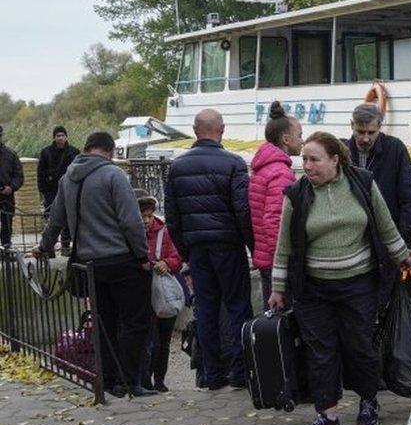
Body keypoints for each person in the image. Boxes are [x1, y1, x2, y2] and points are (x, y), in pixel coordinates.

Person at [268, 132, 411, 425]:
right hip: (313, 289)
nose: (306, 166)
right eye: (304, 159)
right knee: (321, 351)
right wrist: (278, 288)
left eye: (314, 159)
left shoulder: (361, 182)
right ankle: (327, 415)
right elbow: (284, 247)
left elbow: (385, 223)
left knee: (360, 345)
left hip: (359, 283)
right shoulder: (296, 195)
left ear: (335, 159)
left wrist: (402, 255)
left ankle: (368, 401)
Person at [31, 132, 151, 397]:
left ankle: (107, 379)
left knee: (104, 322)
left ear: (85, 149)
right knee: (133, 321)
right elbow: (131, 222)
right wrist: (143, 256)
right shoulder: (113, 176)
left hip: (88, 263)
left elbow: (56, 220)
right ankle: (129, 381)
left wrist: (42, 248)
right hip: (120, 260)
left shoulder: (67, 179)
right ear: (109, 151)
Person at [164, 109, 253, 390]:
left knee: (206, 309)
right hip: (228, 245)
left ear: (194, 130)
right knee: (238, 307)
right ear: (222, 130)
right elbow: (242, 210)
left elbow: (172, 217)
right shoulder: (234, 163)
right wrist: (251, 244)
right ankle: (239, 372)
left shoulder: (177, 167)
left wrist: (185, 251)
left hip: (197, 247)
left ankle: (212, 374)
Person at [345, 104, 411, 287]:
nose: (365, 138)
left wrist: (407, 243)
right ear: (351, 126)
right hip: (352, 246)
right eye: (360, 132)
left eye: (371, 133)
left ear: (380, 127)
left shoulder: (395, 149)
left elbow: (410, 199)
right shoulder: (342, 152)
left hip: (387, 245)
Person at [250, 101, 300, 306]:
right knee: (281, 318)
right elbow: (274, 221)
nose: (302, 141)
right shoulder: (281, 173)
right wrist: (283, 261)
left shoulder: (264, 168)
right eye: (300, 135)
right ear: (286, 139)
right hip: (274, 263)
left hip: (264, 257)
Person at [135, 189, 182, 392]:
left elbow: (177, 256)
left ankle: (160, 380)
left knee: (163, 340)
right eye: (141, 215)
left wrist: (167, 263)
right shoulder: (130, 233)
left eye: (148, 215)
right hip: (142, 293)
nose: (146, 220)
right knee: (148, 340)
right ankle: (144, 380)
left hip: (162, 293)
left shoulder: (164, 231)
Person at [37, 126, 80, 256]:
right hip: (51, 191)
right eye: (58, 135)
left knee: (68, 218)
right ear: (54, 137)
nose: (60, 138)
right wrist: (44, 190)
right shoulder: (46, 153)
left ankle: (65, 246)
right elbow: (40, 173)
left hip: (68, 189)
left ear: (66, 137)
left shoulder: (74, 152)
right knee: (51, 219)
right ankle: (48, 247)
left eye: (62, 135)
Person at [0, 125, 24, 249]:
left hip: (6, 195)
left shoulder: (10, 154)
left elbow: (19, 175)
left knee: (7, 223)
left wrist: (12, 187)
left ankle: (6, 248)